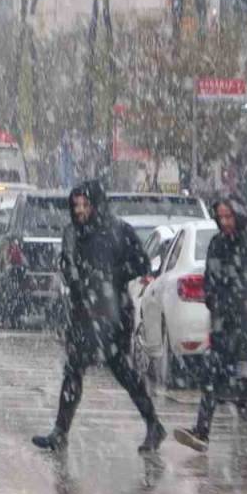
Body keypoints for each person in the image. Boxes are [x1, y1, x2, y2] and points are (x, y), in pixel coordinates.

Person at [33, 180, 166, 453]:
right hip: (82, 312)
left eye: (85, 205)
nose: (80, 210)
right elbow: (67, 264)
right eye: (76, 205)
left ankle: (153, 424)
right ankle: (60, 431)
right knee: (73, 370)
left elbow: (141, 262)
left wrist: (112, 276)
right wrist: (72, 276)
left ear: (95, 205)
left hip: (113, 312)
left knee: (122, 369)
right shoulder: (71, 233)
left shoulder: (118, 231)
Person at [174, 198, 247, 452]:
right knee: (213, 374)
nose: (224, 222)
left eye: (229, 217)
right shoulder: (218, 244)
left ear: (239, 215)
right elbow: (210, 280)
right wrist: (214, 302)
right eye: (220, 217)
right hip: (225, 322)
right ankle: (202, 431)